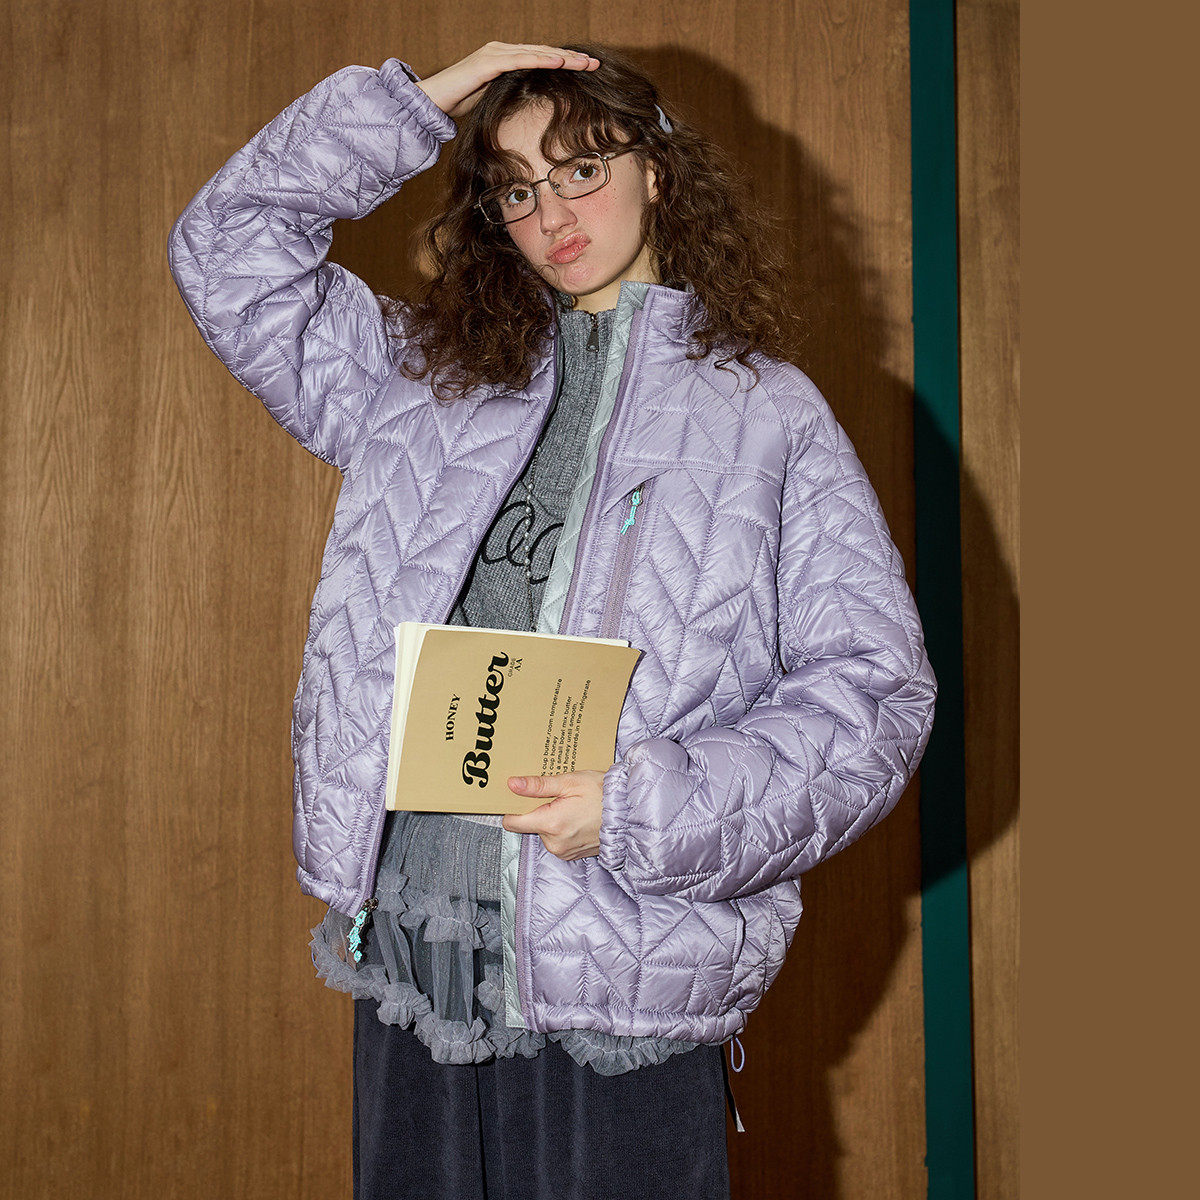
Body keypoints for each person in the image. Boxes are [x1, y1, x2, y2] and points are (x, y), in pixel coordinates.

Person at [167, 40, 937, 1200]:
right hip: (425, 947)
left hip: (624, 954)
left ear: (658, 172)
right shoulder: (425, 379)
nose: (552, 214)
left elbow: (874, 697)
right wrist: (417, 104)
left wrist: (643, 809)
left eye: (582, 169)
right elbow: (227, 251)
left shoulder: (767, 418)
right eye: (517, 187)